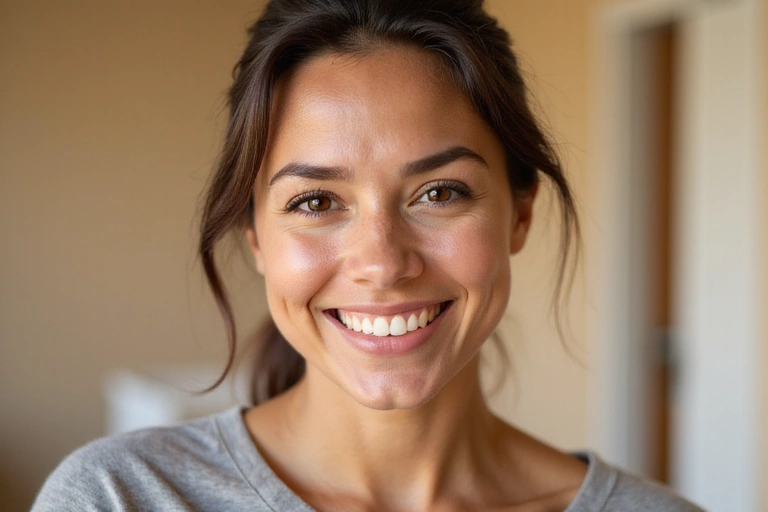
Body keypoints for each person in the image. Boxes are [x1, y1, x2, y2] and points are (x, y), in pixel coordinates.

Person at [32, 0, 705, 510]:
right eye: (316, 202)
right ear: (257, 238)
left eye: (439, 192)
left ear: (519, 214)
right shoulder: (119, 496)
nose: (382, 263)